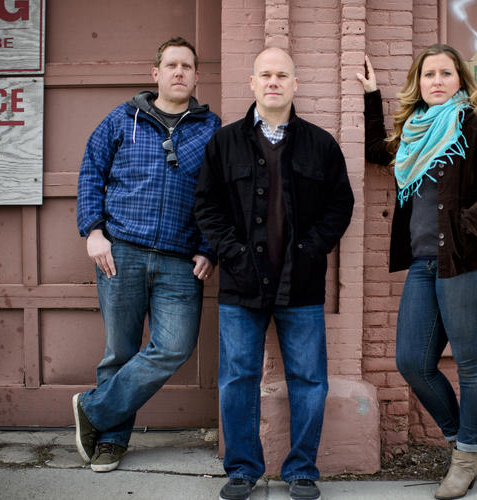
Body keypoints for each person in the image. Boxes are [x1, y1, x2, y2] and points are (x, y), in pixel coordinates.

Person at [356, 45, 477, 499]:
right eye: (428, 74)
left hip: (473, 261)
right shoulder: (413, 132)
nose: (436, 80)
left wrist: (468, 222)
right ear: (419, 82)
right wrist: (373, 95)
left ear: (461, 81)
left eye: (445, 73)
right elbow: (377, 151)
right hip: (424, 264)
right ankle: (465, 442)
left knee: (472, 365)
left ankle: (465, 458)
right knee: (412, 362)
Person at [194, 47, 354, 500]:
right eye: (265, 74)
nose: (273, 82)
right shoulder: (223, 143)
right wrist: (233, 252)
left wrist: (310, 250)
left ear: (295, 83)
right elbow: (206, 206)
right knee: (237, 378)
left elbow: (340, 206)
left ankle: (302, 469)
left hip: (301, 285)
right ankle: (243, 469)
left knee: (308, 378)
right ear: (252, 82)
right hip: (240, 286)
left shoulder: (321, 144)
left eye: (282, 74)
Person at [74, 37, 220, 473]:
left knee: (174, 346)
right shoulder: (122, 119)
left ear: (196, 76)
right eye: (171, 65)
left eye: (187, 66)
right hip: (122, 253)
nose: (179, 72)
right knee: (119, 350)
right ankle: (111, 441)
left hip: (180, 260)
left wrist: (209, 248)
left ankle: (93, 409)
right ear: (155, 73)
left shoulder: (211, 129)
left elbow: (222, 195)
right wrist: (93, 231)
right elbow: (90, 172)